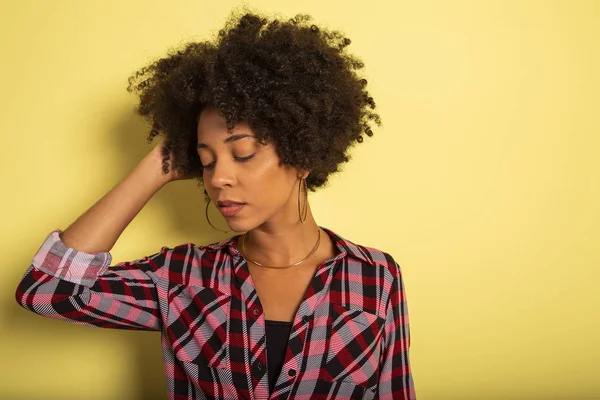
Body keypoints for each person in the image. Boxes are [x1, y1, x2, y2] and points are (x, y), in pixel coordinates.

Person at [15, 8, 416, 400]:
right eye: (205, 161)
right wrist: (157, 167)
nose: (218, 177)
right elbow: (47, 291)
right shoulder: (181, 279)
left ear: (302, 156)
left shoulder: (375, 277)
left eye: (242, 154)